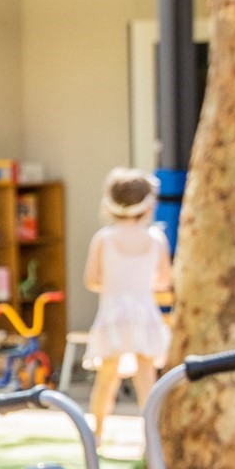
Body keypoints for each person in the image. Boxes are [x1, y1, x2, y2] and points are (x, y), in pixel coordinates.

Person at [81, 168, 174, 441]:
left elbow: (91, 279)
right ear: (147, 206)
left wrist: (115, 285)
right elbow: (165, 280)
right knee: (147, 380)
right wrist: (140, 284)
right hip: (144, 313)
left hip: (113, 314)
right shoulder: (155, 238)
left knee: (106, 379)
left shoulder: (104, 238)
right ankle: (152, 439)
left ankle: (97, 435)